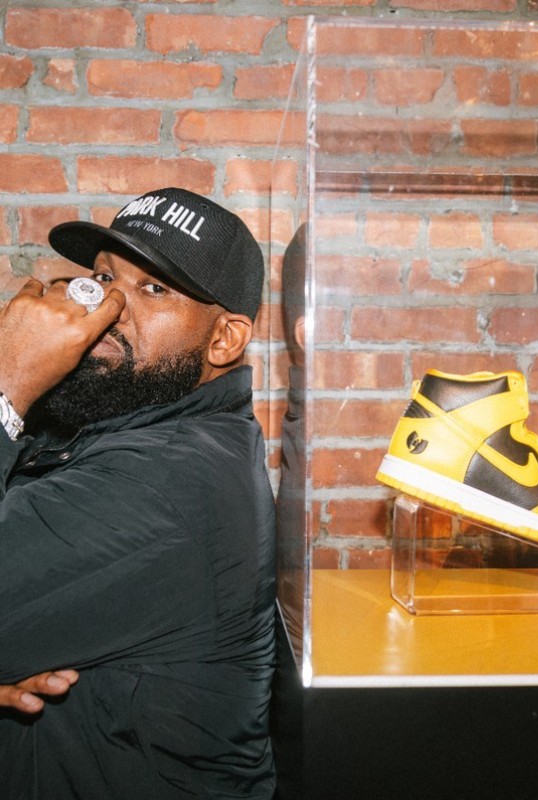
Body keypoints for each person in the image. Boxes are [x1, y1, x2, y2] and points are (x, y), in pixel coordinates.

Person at [0, 187, 277, 799]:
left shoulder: (168, 482)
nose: (109, 306)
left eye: (154, 289)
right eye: (104, 277)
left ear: (225, 339)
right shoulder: (116, 421)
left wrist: (8, 382)